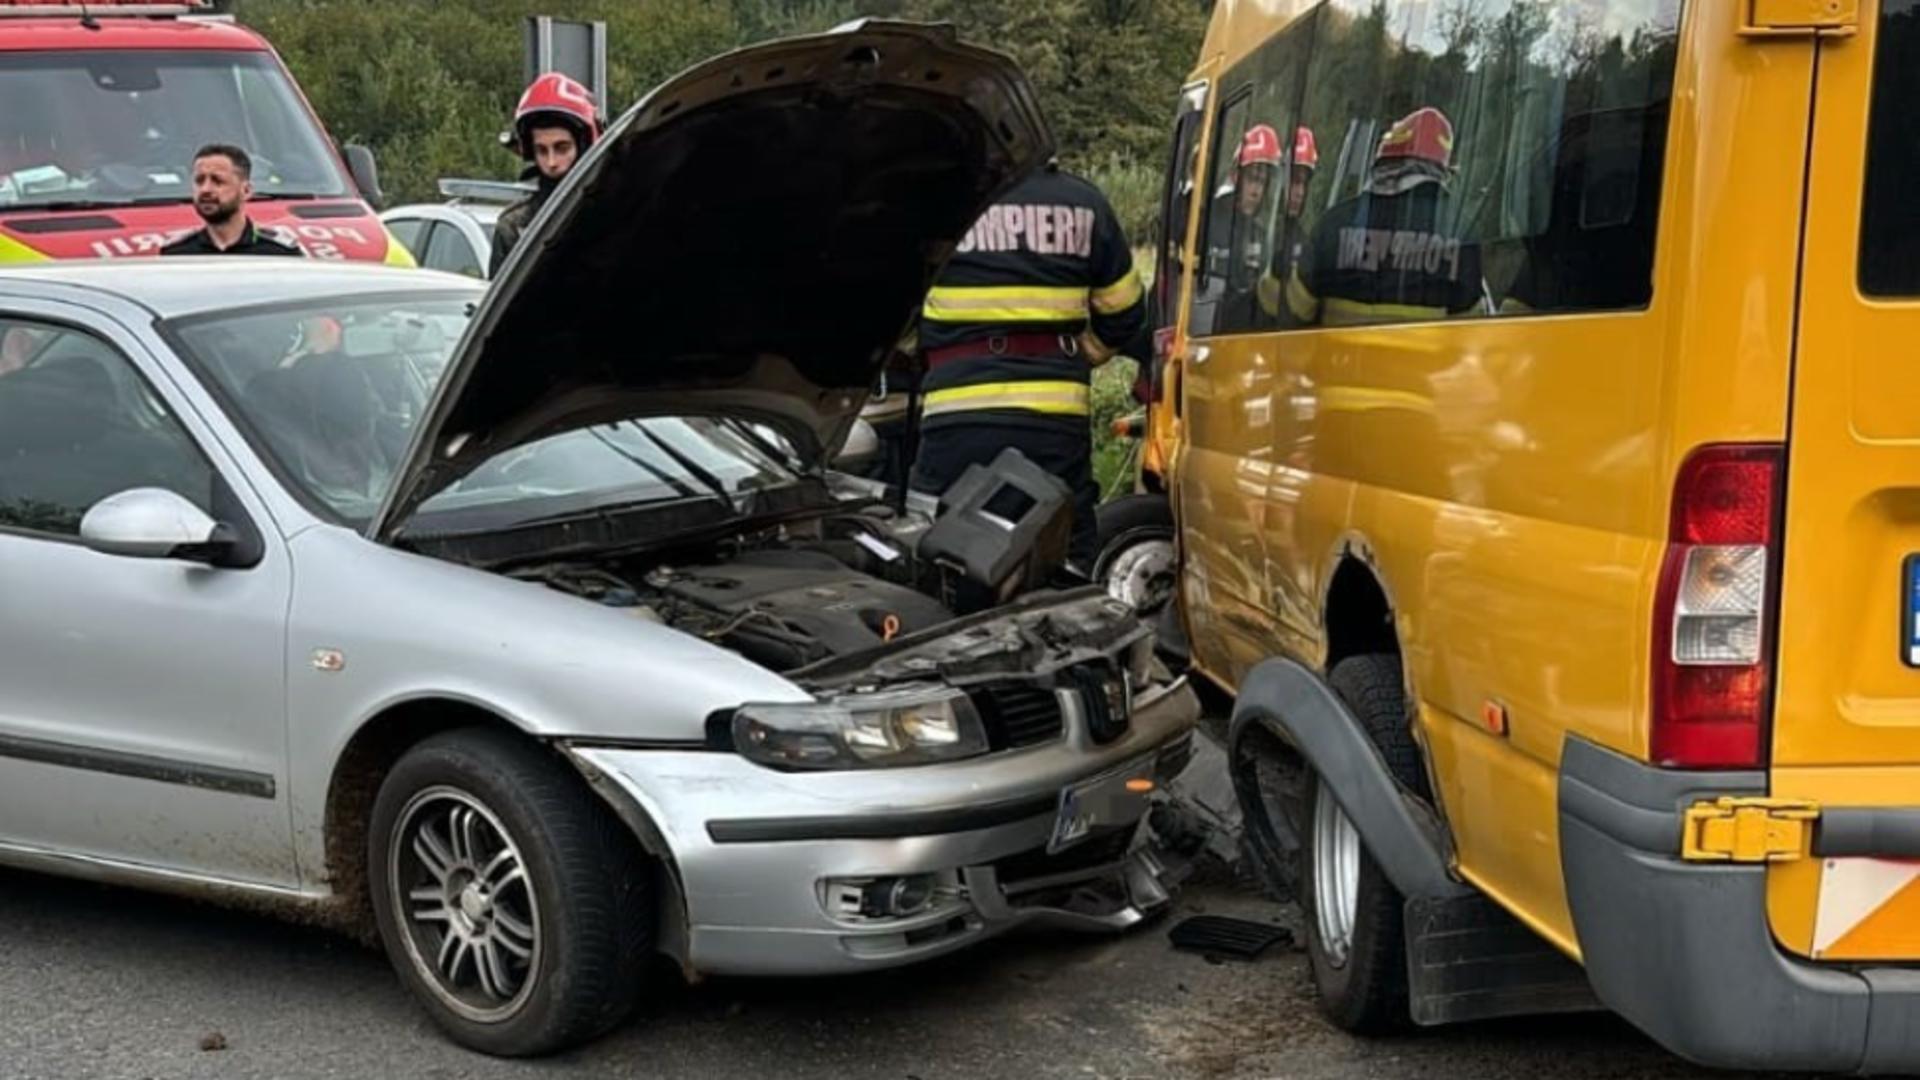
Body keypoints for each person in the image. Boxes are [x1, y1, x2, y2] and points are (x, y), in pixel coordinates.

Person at [909, 159, 1148, 573]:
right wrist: (1079, 357)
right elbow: (1125, 311)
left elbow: (885, 310)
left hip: (954, 415)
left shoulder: (932, 201)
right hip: (1053, 419)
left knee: (936, 548)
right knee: (1064, 550)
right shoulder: (1082, 202)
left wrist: (926, 356)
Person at [1266, 107, 1484, 327]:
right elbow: (1472, 330)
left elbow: (1294, 308)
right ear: (1442, 170)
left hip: (1340, 359)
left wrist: (1276, 273)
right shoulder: (1461, 235)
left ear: (1383, 163)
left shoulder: (1334, 223)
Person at [491, 72, 600, 276]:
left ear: (583, 145)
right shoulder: (515, 226)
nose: (551, 162)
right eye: (542, 150)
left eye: (562, 148)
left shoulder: (616, 210)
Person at [159, 144, 303, 257]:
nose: (205, 189)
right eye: (199, 181)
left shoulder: (278, 252)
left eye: (218, 181)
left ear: (246, 190)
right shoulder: (177, 253)